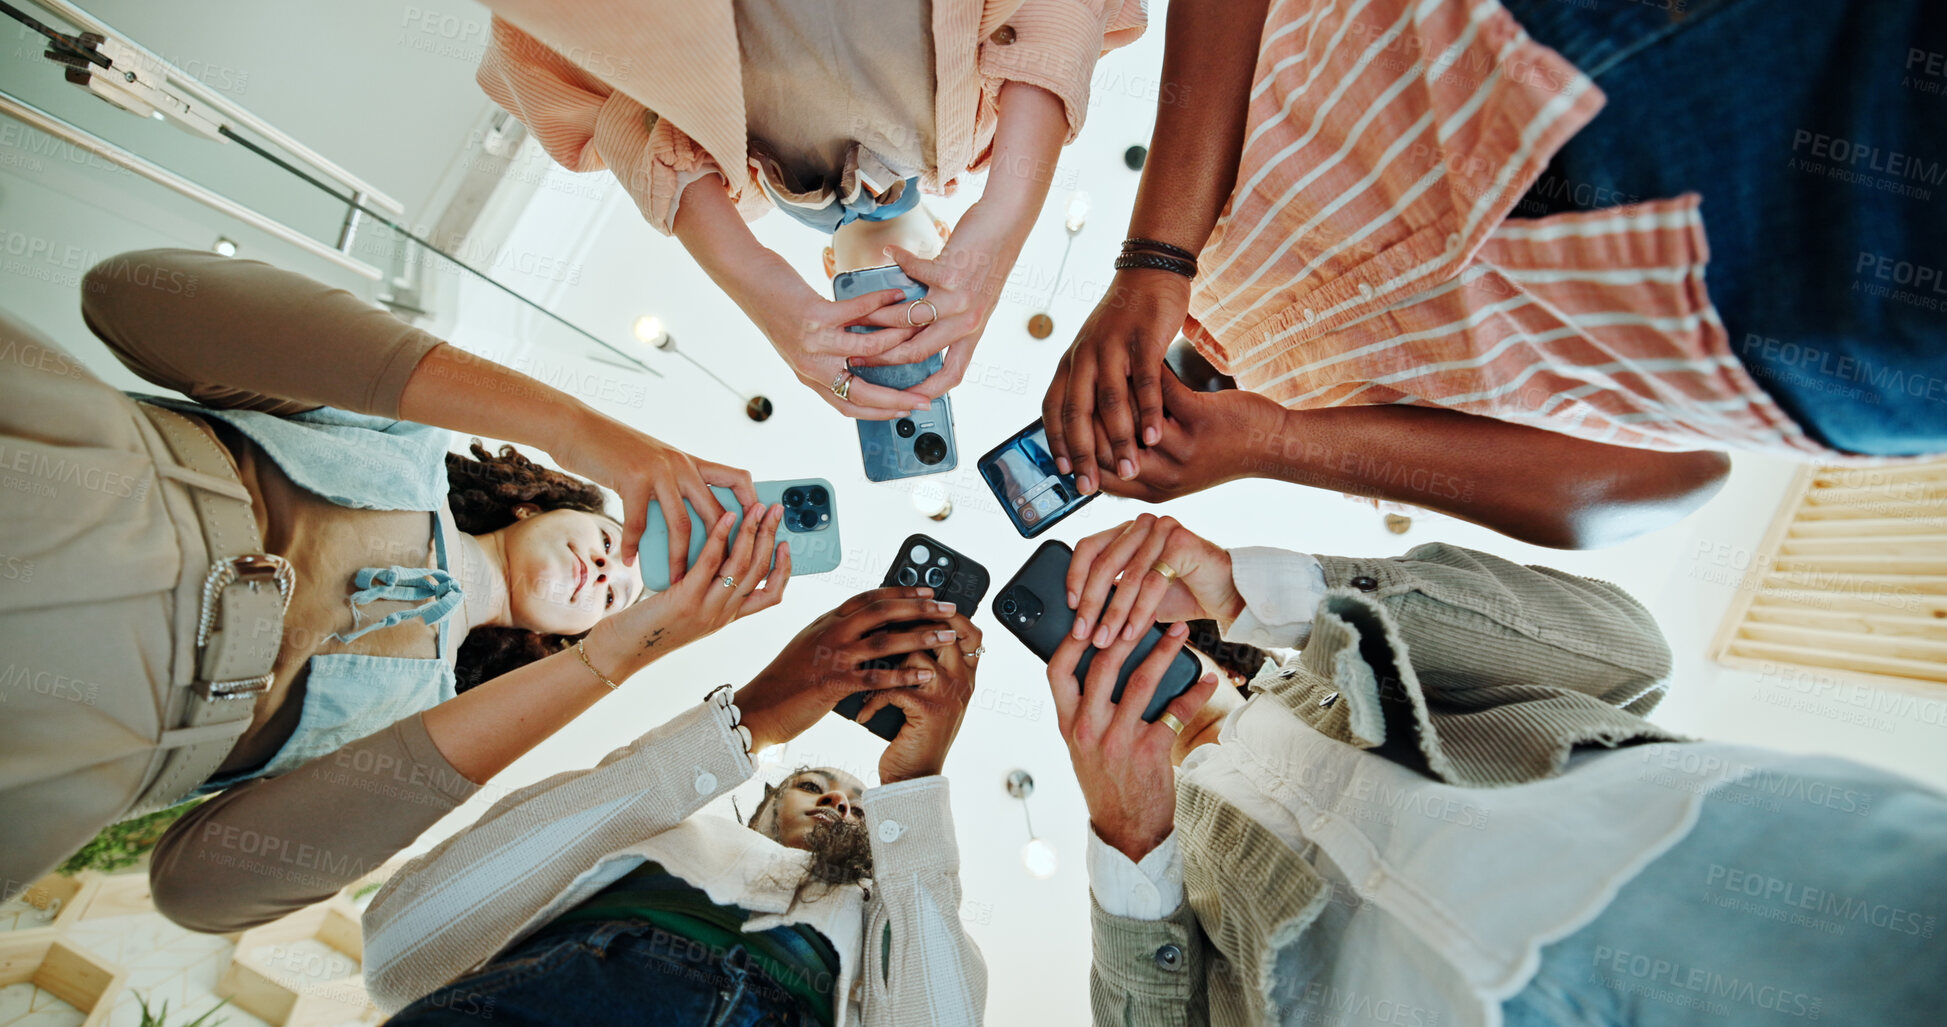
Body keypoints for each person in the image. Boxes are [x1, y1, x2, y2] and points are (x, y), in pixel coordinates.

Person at [0, 248, 779, 926]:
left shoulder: (430, 723)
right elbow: (131, 297)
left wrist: (612, 659)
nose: (609, 571)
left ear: (561, 640)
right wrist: (580, 431)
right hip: (64, 477)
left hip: (50, 737)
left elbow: (198, 890)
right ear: (539, 498)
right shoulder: (405, 436)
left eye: (614, 598)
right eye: (611, 542)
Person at [1042, 0, 1947, 549]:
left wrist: (1156, 260)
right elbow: (1668, 478)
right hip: (1764, 331)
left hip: (1528, 41)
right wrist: (1272, 443)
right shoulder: (1332, 427)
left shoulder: (1185, 219)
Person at [1050, 515, 1947, 1025]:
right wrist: (1128, 834)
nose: (1127, 669)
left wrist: (1267, 590)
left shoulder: (1338, 659)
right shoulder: (1166, 862)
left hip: (1707, 861)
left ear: (1202, 647)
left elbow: (1629, 649)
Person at [474, 0, 1144, 417]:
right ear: (942, 231)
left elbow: (616, 105)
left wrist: (757, 280)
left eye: (868, 322)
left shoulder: (742, 172)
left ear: (830, 267)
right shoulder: (975, 129)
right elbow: (1060, 14)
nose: (891, 307)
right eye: (915, 307)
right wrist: (1002, 219)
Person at [361, 587, 987, 1027]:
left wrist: (916, 785)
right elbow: (401, 947)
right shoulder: (658, 837)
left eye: (862, 805)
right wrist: (750, 719)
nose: (837, 801)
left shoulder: (905, 923)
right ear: (761, 806)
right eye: (810, 785)